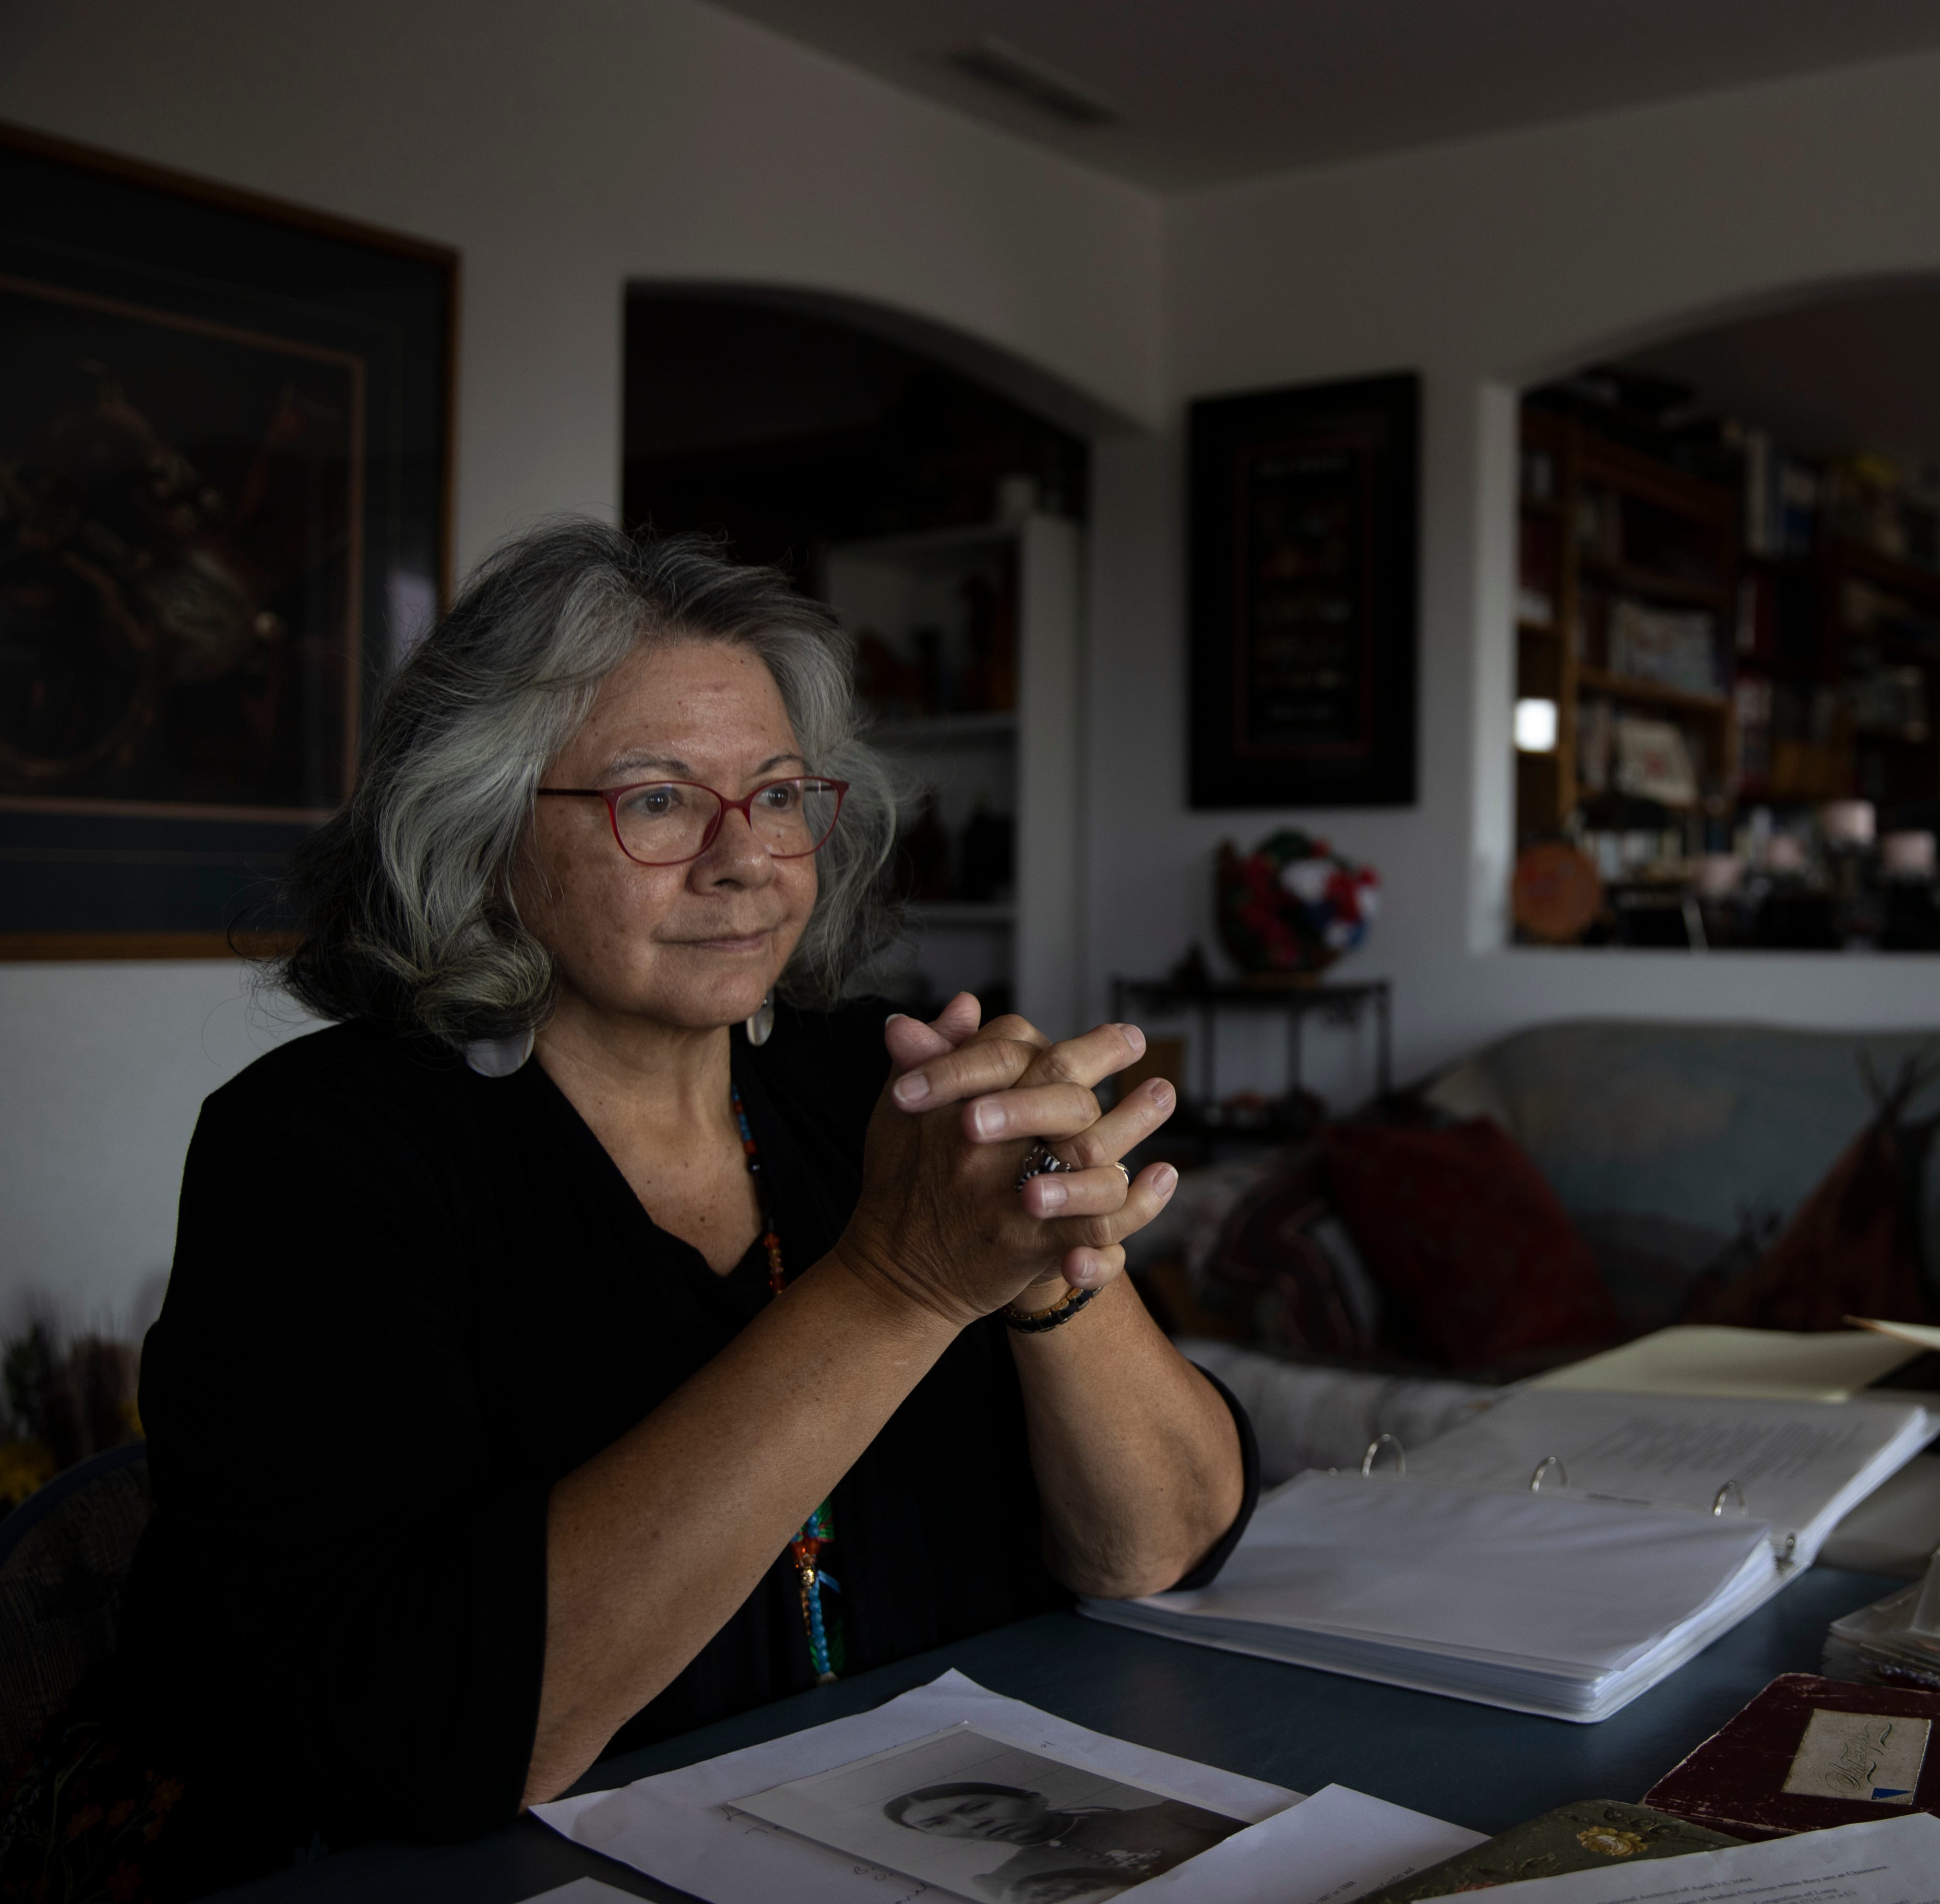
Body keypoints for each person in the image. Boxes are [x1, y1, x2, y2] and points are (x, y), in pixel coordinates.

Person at [100, 521, 1256, 1896]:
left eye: (776, 796)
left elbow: (1159, 1546)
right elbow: (429, 1735)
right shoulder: (320, 1150)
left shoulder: (872, 1086)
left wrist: (1049, 1262)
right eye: (655, 800)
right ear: (482, 833)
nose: (745, 858)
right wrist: (901, 1286)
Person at [883, 1778, 1237, 1884]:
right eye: (939, 1824)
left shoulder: (1175, 1813)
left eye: (977, 1807)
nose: (972, 1824)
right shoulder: (1005, 1884)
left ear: (1036, 1798)